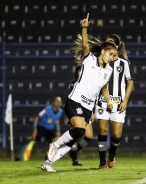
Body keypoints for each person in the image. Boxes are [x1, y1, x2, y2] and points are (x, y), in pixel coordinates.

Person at [41, 13, 118, 172]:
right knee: (79, 130)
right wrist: (84, 28)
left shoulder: (108, 71)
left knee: (76, 136)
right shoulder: (89, 59)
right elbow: (84, 44)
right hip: (75, 100)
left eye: (115, 56)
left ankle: (48, 162)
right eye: (111, 54)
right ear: (103, 51)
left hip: (88, 107)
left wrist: (107, 102)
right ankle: (54, 145)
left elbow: (103, 88)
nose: (112, 58)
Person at [96, 34, 133, 168]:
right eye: (106, 43)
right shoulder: (99, 61)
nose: (108, 45)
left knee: (117, 135)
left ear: (116, 47)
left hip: (119, 103)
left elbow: (130, 82)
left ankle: (112, 153)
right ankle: (102, 162)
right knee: (102, 131)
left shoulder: (124, 63)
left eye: (111, 43)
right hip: (102, 102)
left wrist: (125, 101)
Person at [15, 96, 63, 161]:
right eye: (57, 102)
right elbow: (37, 118)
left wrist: (58, 130)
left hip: (50, 130)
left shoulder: (60, 111)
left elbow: (57, 121)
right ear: (53, 102)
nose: (58, 103)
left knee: (56, 140)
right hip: (41, 128)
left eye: (60, 102)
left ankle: (48, 155)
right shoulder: (47, 109)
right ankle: (19, 156)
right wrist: (35, 129)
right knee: (33, 141)